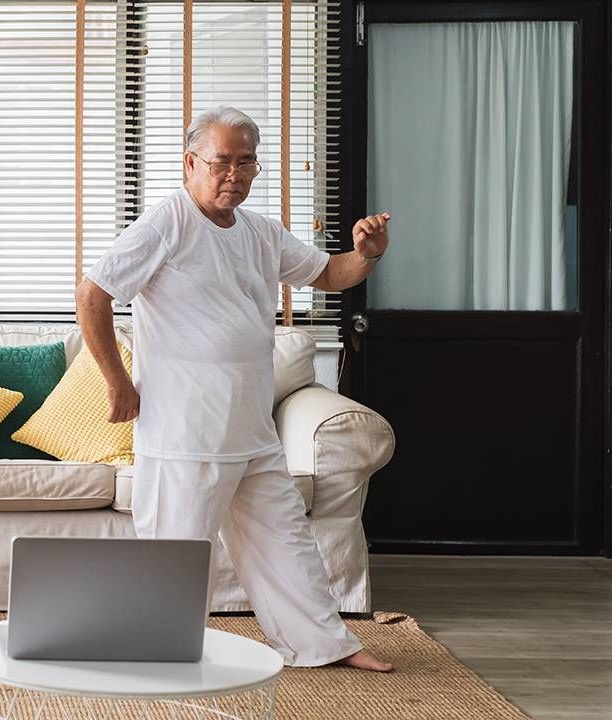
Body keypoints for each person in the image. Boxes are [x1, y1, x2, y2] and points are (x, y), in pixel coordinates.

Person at [76, 106, 394, 672]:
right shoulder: (166, 223)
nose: (234, 174)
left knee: (286, 544)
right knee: (175, 555)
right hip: (185, 431)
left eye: (246, 162)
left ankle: (324, 645)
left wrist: (366, 254)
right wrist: (117, 383)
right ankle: (155, 656)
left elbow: (331, 273)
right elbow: (94, 295)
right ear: (190, 163)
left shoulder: (259, 231)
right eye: (222, 162)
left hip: (251, 428)